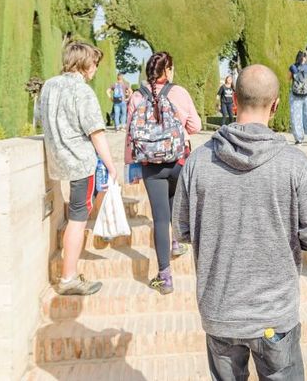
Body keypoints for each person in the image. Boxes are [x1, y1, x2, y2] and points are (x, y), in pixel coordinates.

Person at [173, 64, 307, 380]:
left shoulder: (198, 162)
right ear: (276, 105)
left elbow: (182, 229)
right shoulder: (294, 164)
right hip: (274, 314)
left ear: (234, 101)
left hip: (221, 310)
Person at [36, 41, 118, 296]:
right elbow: (96, 133)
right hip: (81, 162)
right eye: (94, 62)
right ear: (84, 63)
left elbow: (40, 119)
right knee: (78, 219)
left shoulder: (49, 86)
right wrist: (111, 166)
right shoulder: (83, 92)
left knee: (76, 215)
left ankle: (69, 271)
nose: (95, 68)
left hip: (58, 160)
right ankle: (69, 277)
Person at [125, 52, 202, 294]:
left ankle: (164, 276)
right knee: (175, 204)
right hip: (179, 161)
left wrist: (131, 167)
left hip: (151, 166)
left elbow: (130, 135)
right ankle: (177, 242)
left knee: (160, 218)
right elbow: (196, 126)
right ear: (167, 70)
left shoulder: (137, 96)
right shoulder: (179, 92)